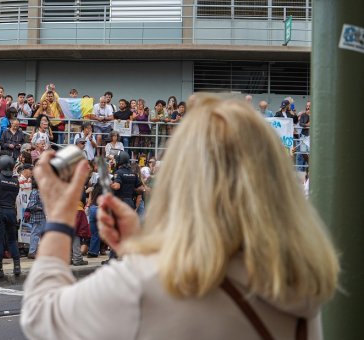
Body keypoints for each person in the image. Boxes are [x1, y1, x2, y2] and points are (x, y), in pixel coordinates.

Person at [21, 96, 339, 339]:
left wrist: (60, 214)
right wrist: (137, 245)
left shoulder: (142, 283)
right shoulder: (296, 283)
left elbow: (39, 315)